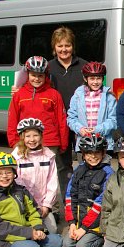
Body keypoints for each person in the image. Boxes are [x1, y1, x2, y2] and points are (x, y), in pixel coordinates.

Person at [0, 152, 62, 247]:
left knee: (57, 242)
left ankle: (28, 243)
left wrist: (38, 228)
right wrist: (29, 233)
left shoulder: (21, 191)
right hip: (5, 237)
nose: (4, 176)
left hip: (25, 230)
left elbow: (33, 212)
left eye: (8, 172)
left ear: (14, 173)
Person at [7, 57, 69, 197]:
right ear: (27, 74)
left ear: (45, 76)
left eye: (40, 75)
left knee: (49, 177)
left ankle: (51, 206)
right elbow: (12, 119)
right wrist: (14, 142)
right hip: (26, 142)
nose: (36, 79)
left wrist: (63, 143)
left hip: (49, 142)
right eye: (33, 75)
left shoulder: (54, 94)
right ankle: (26, 203)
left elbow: (61, 119)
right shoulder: (19, 95)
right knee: (26, 175)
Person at [48, 27, 88, 199]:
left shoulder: (84, 66)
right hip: (59, 123)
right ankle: (68, 200)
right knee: (63, 166)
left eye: (67, 45)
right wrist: (16, 89)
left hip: (81, 124)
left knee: (86, 162)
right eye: (60, 46)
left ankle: (85, 200)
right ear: (54, 47)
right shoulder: (48, 68)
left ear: (73, 46)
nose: (64, 49)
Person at [63, 134, 114, 247]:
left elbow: (100, 204)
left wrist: (84, 228)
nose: (93, 156)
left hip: (97, 224)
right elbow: (70, 196)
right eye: (89, 153)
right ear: (83, 154)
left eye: (97, 152)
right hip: (80, 221)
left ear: (103, 153)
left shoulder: (108, 173)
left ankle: (102, 239)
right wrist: (72, 223)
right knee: (67, 245)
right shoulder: (79, 169)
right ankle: (82, 232)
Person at [12, 118, 59, 235]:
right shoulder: (17, 157)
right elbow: (16, 183)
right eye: (28, 136)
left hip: (42, 204)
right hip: (24, 205)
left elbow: (52, 183)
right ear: (22, 137)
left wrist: (46, 206)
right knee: (27, 232)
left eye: (35, 135)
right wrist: (28, 207)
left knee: (52, 231)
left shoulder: (48, 156)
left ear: (41, 136)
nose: (32, 139)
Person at [67, 61, 117, 153]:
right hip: (84, 142)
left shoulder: (109, 97)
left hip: (103, 143)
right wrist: (80, 129)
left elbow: (113, 120)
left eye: (98, 78)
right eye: (92, 78)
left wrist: (97, 129)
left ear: (103, 79)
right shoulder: (77, 96)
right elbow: (71, 118)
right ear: (85, 79)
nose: (95, 82)